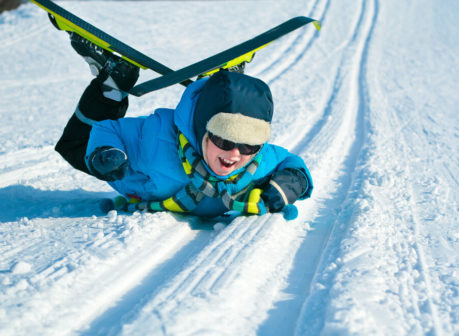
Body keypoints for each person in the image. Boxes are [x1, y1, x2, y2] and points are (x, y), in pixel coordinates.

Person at [55, 33, 313, 220]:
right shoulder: (157, 139)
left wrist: (286, 187)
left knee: (219, 106)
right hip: (133, 172)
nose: (235, 154)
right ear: (203, 130)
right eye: (224, 140)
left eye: (248, 145)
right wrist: (105, 153)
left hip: (153, 182)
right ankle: (112, 84)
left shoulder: (258, 161)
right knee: (77, 147)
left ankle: (220, 81)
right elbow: (107, 129)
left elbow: (292, 164)